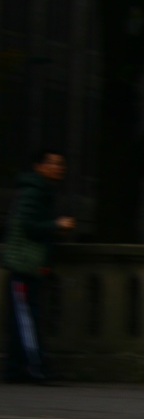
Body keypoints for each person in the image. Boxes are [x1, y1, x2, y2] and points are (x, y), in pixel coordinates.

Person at [4, 150, 75, 383]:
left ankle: (16, 369)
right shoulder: (34, 191)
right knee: (27, 319)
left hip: (30, 265)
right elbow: (27, 225)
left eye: (61, 163)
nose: (59, 168)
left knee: (22, 319)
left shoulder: (42, 190)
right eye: (54, 163)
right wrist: (56, 224)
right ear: (39, 166)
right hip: (24, 265)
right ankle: (37, 368)